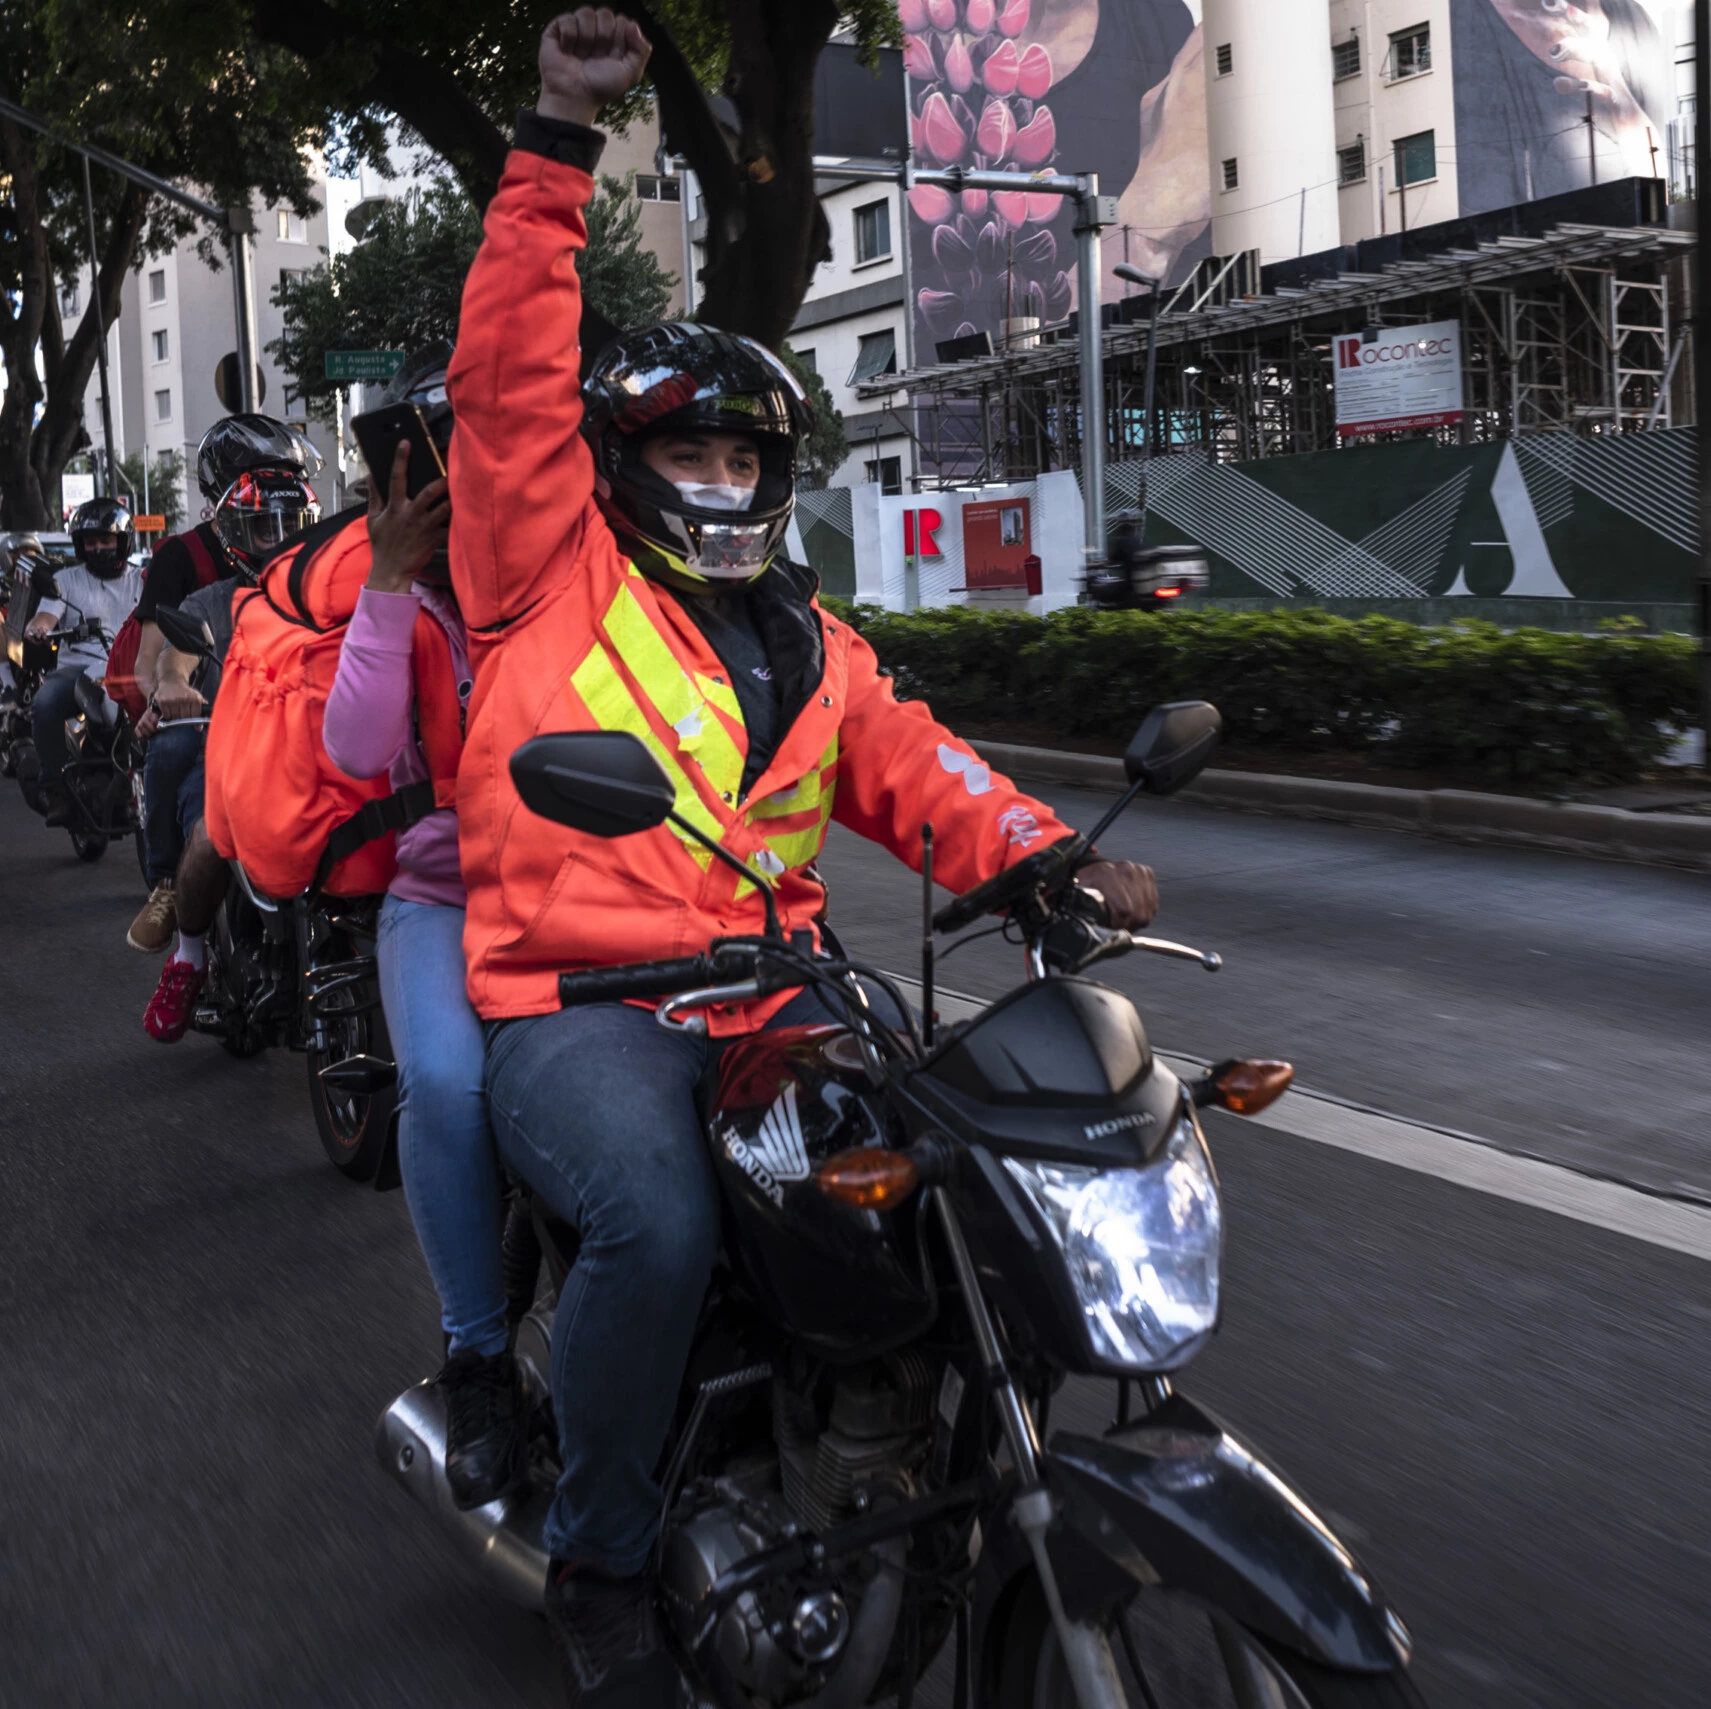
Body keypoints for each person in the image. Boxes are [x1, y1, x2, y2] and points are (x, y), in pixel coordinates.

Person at [447, 16, 1161, 1704]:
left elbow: (917, 767)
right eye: (687, 453)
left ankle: (909, 1475)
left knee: (963, 1192)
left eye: (743, 455)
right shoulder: (541, 576)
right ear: (621, 470)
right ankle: (605, 1560)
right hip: (579, 1000)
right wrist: (559, 131)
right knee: (656, 1216)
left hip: (780, 998)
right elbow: (503, 375)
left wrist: (1044, 858)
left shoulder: (806, 638)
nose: (719, 478)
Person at [318, 362, 512, 1503]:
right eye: (423, 482)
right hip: (439, 900)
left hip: (593, 892)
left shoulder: (569, 584)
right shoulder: (400, 599)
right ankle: (477, 1346)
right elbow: (353, 743)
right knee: (445, 1085)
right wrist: (390, 581)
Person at [127, 413, 322, 955]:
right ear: (235, 525)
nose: (282, 540)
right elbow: (171, 658)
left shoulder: (330, 601)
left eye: (294, 524)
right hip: (221, 749)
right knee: (205, 822)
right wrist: (168, 689)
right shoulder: (210, 597)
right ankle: (185, 946)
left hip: (309, 759)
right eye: (266, 526)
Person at [23, 497, 145, 830]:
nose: (98, 548)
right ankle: (54, 787)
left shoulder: (142, 579)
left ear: (122, 541)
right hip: (78, 669)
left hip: (133, 668)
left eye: (105, 540)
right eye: (90, 542)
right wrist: (40, 627)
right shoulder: (66, 580)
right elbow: (48, 614)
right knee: (45, 704)